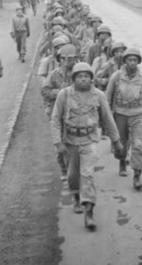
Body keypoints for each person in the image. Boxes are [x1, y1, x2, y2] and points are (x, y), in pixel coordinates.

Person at [51, 62, 123, 230]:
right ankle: (76, 197)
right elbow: (55, 120)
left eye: (86, 76)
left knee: (87, 174)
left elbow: (107, 118)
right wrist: (58, 143)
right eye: (79, 77)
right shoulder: (64, 95)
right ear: (73, 79)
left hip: (89, 140)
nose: (83, 79)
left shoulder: (98, 95)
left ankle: (89, 211)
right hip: (70, 142)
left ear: (91, 79)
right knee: (72, 175)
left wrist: (116, 140)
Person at [105, 48, 142, 188]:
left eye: (135, 60)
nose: (132, 63)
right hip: (120, 114)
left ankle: (137, 176)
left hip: (138, 114)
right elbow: (107, 97)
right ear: (125, 61)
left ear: (138, 62)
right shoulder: (116, 76)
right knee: (121, 143)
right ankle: (122, 162)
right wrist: (106, 117)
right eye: (130, 60)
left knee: (138, 145)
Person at [41, 44, 78, 180]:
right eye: (64, 59)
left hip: (76, 114)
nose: (67, 62)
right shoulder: (54, 74)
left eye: (71, 59)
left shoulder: (80, 74)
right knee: (60, 145)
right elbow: (45, 91)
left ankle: (74, 170)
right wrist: (61, 93)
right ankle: (63, 168)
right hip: (58, 113)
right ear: (60, 59)